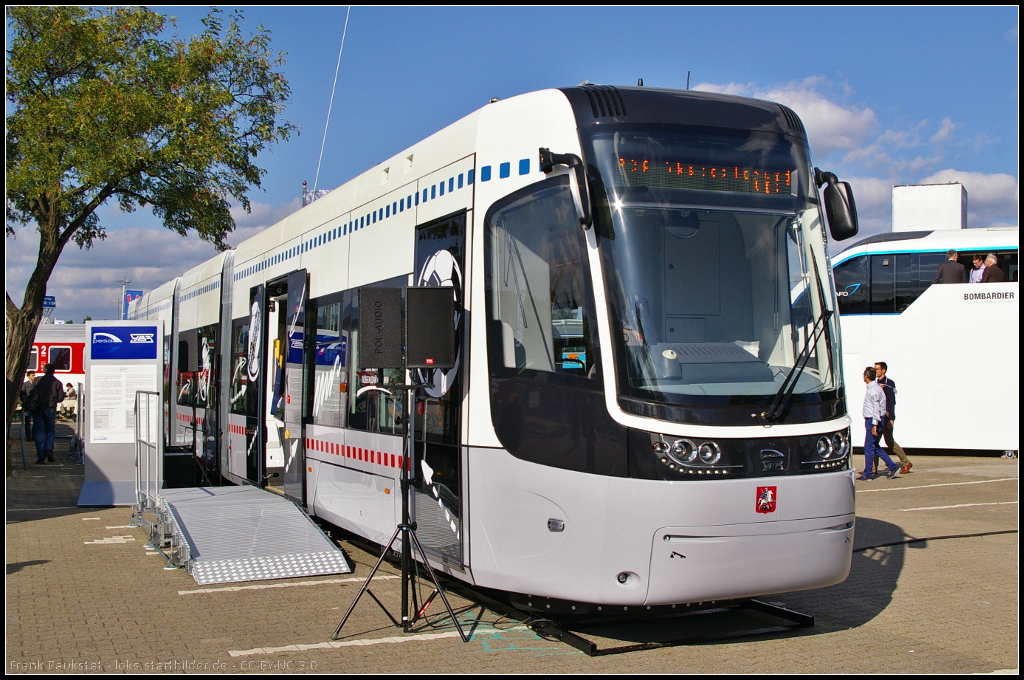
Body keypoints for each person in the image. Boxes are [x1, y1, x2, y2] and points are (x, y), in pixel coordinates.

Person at [857, 366, 900, 481]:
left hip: (873, 420)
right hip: (873, 419)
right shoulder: (874, 388)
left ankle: (868, 474)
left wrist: (874, 425)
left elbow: (876, 409)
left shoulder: (873, 390)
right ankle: (892, 466)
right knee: (874, 446)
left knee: (868, 447)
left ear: (866, 376)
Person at [874, 362, 913, 474]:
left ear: (883, 370)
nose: (875, 371)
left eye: (877, 369)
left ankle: (906, 462)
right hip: (878, 415)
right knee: (874, 441)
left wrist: (891, 418)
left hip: (885, 416)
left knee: (889, 442)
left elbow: (892, 401)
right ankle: (872, 468)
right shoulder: (876, 383)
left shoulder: (888, 383)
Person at [31, 363, 65, 464]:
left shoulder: (38, 381)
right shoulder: (57, 382)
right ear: (54, 371)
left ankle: (41, 457)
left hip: (39, 408)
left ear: (44, 371)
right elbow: (60, 398)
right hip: (51, 408)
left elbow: (32, 393)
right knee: (50, 431)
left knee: (39, 433)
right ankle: (49, 449)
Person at [20, 370, 37, 439]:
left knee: (35, 422)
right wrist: (25, 401)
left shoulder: (36, 384)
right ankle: (28, 436)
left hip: (35, 405)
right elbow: (22, 394)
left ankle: (34, 435)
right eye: (32, 375)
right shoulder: (25, 384)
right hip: (28, 406)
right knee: (27, 422)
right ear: (28, 376)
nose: (34, 376)